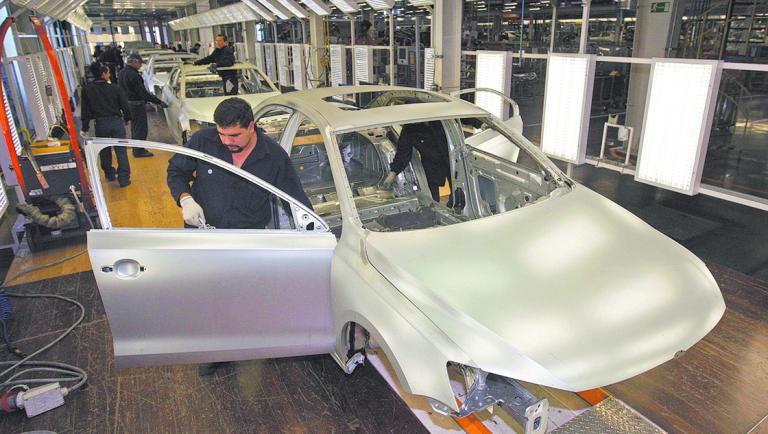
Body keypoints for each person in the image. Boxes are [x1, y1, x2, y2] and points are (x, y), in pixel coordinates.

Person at [167, 97, 311, 230]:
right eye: (221, 134)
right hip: (202, 230)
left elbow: (295, 200)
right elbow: (176, 171)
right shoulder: (203, 141)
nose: (226, 141)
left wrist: (313, 232)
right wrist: (185, 199)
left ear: (250, 127)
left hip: (248, 239)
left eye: (234, 135)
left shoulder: (274, 156)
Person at [81, 62, 133, 187]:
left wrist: (85, 127)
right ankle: (124, 179)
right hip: (116, 122)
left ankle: (109, 174)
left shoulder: (87, 90)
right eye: (108, 72)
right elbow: (125, 105)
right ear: (103, 74)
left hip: (100, 124)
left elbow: (85, 111)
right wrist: (127, 118)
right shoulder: (115, 88)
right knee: (121, 151)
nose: (109, 74)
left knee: (104, 150)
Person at [383, 121, 451, 203]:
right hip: (430, 163)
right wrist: (392, 174)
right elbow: (403, 153)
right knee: (432, 198)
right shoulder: (410, 128)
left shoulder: (442, 121)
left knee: (459, 193)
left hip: (452, 159)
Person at [118, 53, 169, 158]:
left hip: (128, 104)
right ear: (135, 61)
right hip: (137, 105)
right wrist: (158, 102)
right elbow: (143, 93)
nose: (141, 66)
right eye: (140, 63)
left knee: (135, 127)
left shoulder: (122, 72)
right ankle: (138, 151)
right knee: (140, 128)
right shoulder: (134, 75)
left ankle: (137, 148)